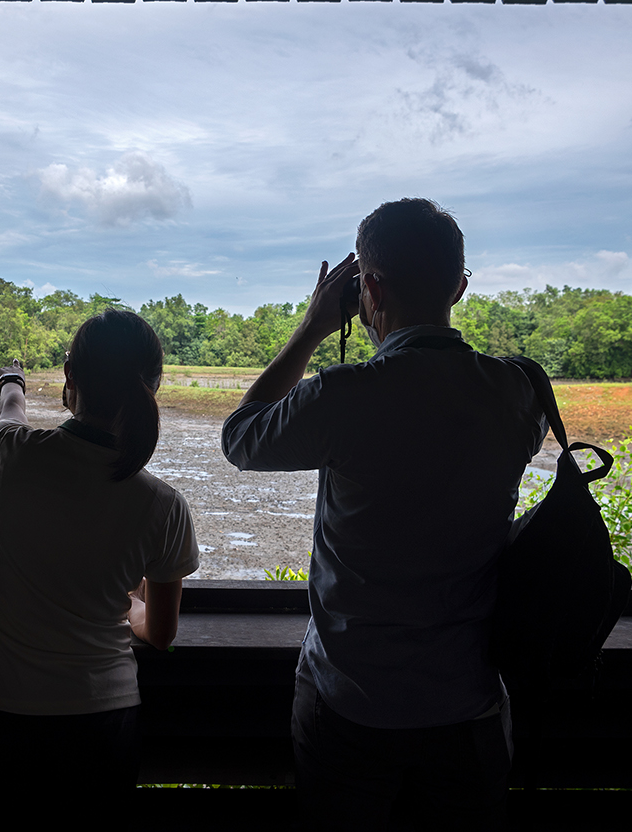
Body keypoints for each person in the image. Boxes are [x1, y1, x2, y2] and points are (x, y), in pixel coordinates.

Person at [221, 199, 547, 830]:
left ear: (367, 287)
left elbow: (240, 438)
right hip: (467, 701)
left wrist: (313, 328)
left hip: (349, 701)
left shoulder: (342, 395)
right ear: (458, 286)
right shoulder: (516, 391)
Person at [0, 309, 200, 804]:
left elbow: (9, 413)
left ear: (71, 376)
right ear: (152, 386)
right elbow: (160, 632)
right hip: (102, 717)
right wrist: (131, 604)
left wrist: (12, 383)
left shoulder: (13, 454)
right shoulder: (164, 504)